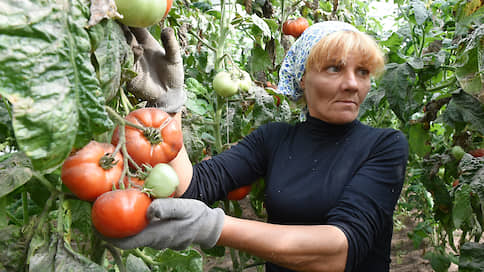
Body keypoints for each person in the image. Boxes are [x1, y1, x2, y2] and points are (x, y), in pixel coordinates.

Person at [108, 21, 409, 272]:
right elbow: (192, 187)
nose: (353, 84)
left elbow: (339, 250)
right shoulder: (274, 138)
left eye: (363, 73)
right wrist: (167, 107)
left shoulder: (384, 145)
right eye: (334, 68)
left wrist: (213, 226)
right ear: (302, 78)